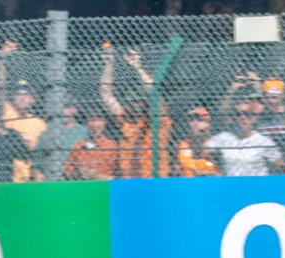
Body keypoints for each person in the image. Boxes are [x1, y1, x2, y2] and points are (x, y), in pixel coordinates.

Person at [102, 46, 172, 179]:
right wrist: (109, 65)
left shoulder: (158, 123)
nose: (135, 105)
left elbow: (154, 92)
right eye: (132, 102)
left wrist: (137, 67)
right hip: (130, 181)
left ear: (146, 103)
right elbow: (106, 95)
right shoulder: (125, 120)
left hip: (154, 179)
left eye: (139, 101)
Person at [204, 102, 284, 176]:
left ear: (254, 118)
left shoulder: (264, 142)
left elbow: (280, 165)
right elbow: (204, 151)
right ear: (234, 118)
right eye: (239, 114)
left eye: (247, 114)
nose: (243, 117)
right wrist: (217, 171)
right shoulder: (224, 138)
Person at [36, 99, 88, 180]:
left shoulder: (84, 132)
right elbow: (38, 163)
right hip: (50, 179)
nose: (61, 111)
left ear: (74, 109)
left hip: (76, 180)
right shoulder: (46, 134)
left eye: (65, 107)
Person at [63, 107, 119, 180]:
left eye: (99, 120)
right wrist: (77, 172)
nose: (95, 124)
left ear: (105, 122)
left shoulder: (111, 146)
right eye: (92, 120)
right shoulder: (79, 146)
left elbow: (118, 174)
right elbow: (67, 168)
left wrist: (96, 176)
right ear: (87, 123)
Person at [175, 105, 220, 176]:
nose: (194, 124)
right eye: (191, 120)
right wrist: (205, 164)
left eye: (199, 120)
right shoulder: (185, 144)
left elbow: (217, 170)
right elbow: (186, 164)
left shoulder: (216, 143)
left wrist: (196, 165)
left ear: (208, 124)